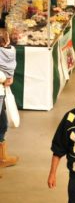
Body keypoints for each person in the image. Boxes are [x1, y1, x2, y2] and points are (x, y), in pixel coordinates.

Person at [0, 29, 17, 172]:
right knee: (2, 124)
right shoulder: (11, 52)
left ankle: (2, 157)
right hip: (1, 93)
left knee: (2, 124)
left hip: (1, 93)